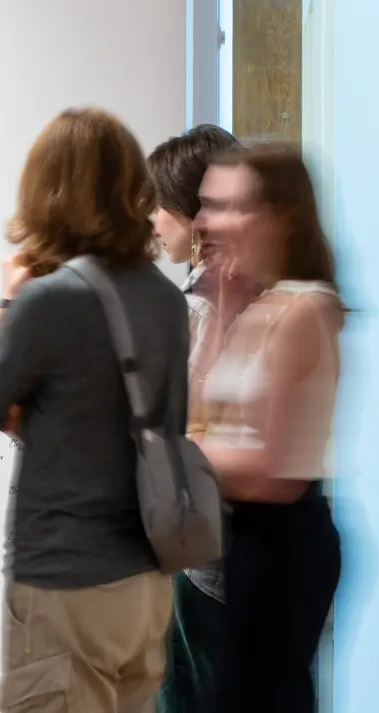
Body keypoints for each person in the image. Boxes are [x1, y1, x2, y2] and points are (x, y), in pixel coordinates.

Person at [0, 107, 188, 713]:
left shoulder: (50, 301)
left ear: (46, 191)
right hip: (147, 582)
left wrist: (6, 304)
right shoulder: (164, 297)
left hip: (68, 583)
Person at [195, 143, 342, 713]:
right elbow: (200, 413)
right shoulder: (262, 304)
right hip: (245, 538)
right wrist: (224, 309)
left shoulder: (306, 308)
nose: (210, 222)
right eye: (210, 205)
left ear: (281, 216)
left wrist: (179, 452)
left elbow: (271, 475)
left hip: (284, 545)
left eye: (232, 206)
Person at [147, 124, 240, 713]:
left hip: (201, 558)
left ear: (191, 211)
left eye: (159, 204)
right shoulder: (260, 290)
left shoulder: (198, 307)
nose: (152, 221)